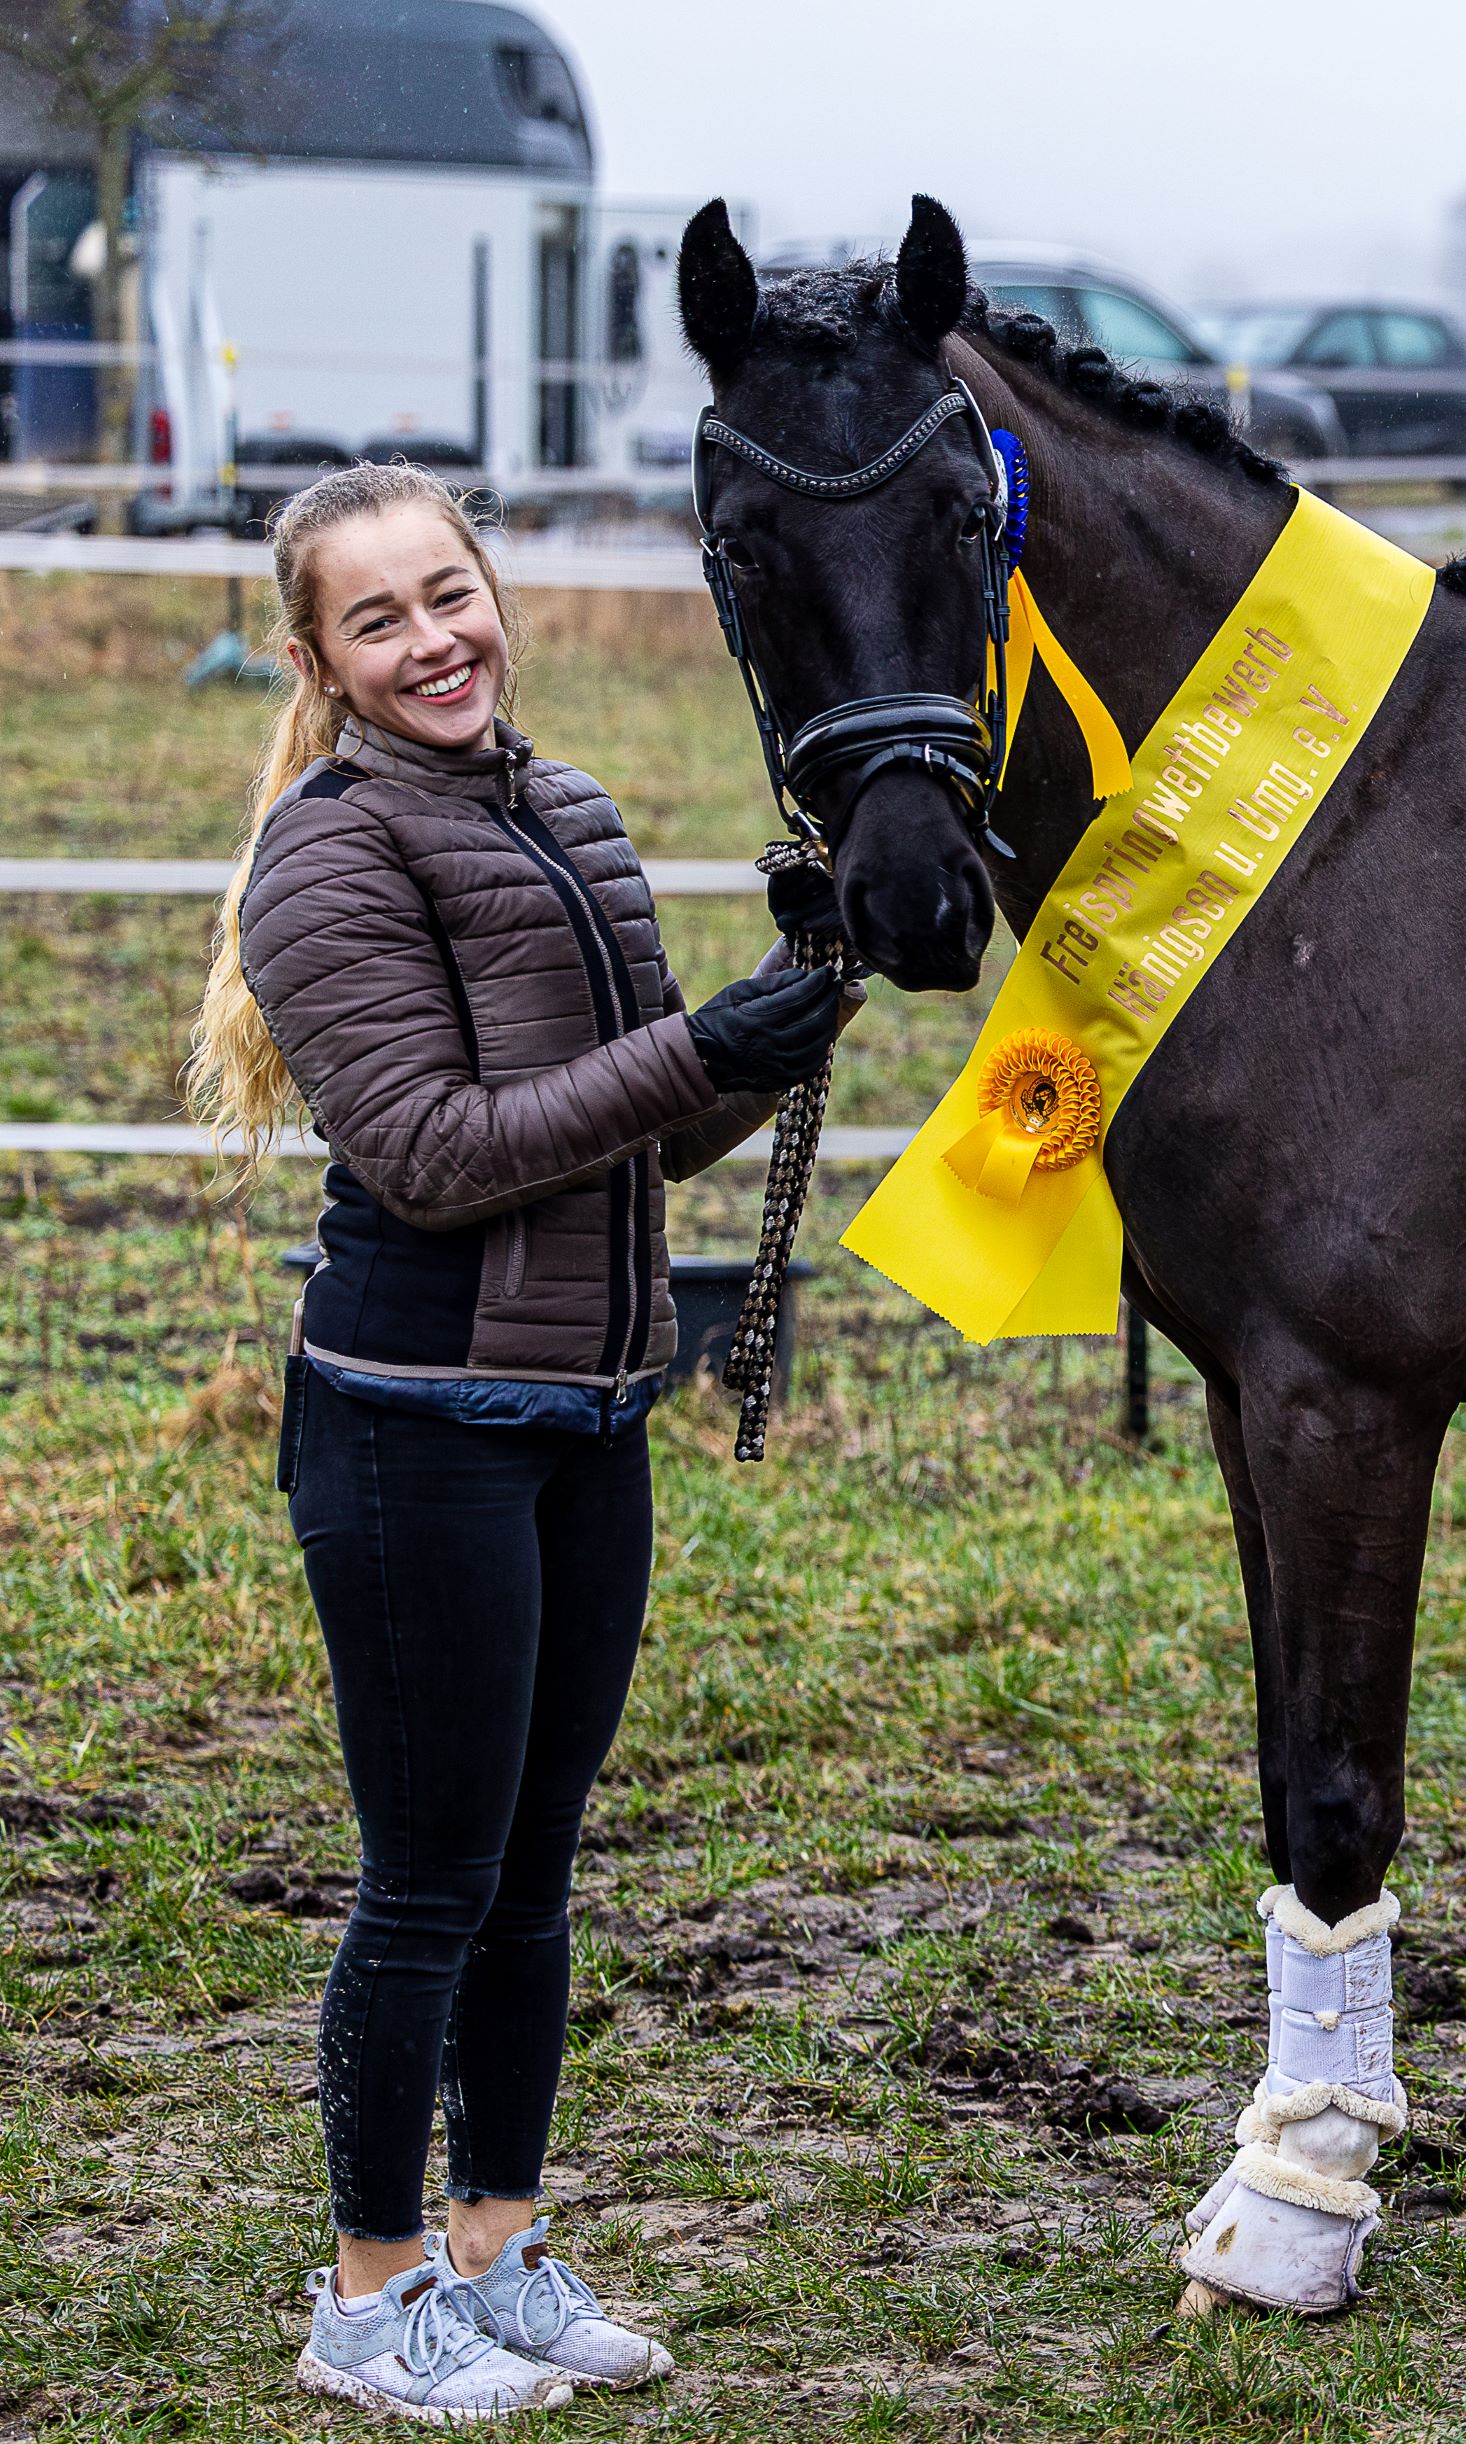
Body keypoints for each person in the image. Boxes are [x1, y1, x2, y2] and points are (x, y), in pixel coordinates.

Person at [184, 460, 850, 2421]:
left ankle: (494, 2239)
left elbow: (640, 1132)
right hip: (416, 1429)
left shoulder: (566, 809)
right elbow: (434, 1153)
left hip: (584, 1413)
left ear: (497, 592)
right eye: (378, 617)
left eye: (450, 592)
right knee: (427, 1876)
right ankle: (367, 2290)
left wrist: (791, 1013)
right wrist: (703, 1045)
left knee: (536, 1865)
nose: (434, 639)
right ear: (317, 655)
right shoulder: (324, 859)